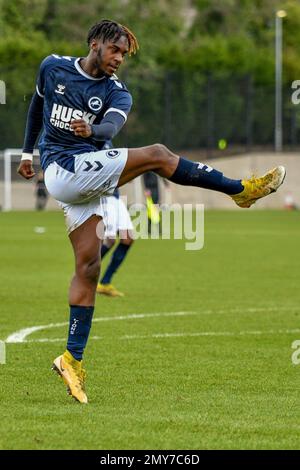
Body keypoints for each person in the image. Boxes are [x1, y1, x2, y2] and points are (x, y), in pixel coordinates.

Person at [18, 19, 286, 404]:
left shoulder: (116, 92)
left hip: (87, 175)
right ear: (95, 43)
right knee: (159, 154)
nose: (120, 58)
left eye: (125, 54)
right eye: (115, 50)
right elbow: (37, 105)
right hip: (61, 170)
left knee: (88, 267)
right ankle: (240, 190)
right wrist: (28, 152)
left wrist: (90, 131)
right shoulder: (53, 66)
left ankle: (71, 359)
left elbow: (110, 128)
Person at [96, 142, 134, 297]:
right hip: (105, 196)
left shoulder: (107, 139)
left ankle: (105, 282)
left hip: (116, 197)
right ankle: (84, 276)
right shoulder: (92, 139)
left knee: (128, 238)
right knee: (109, 240)